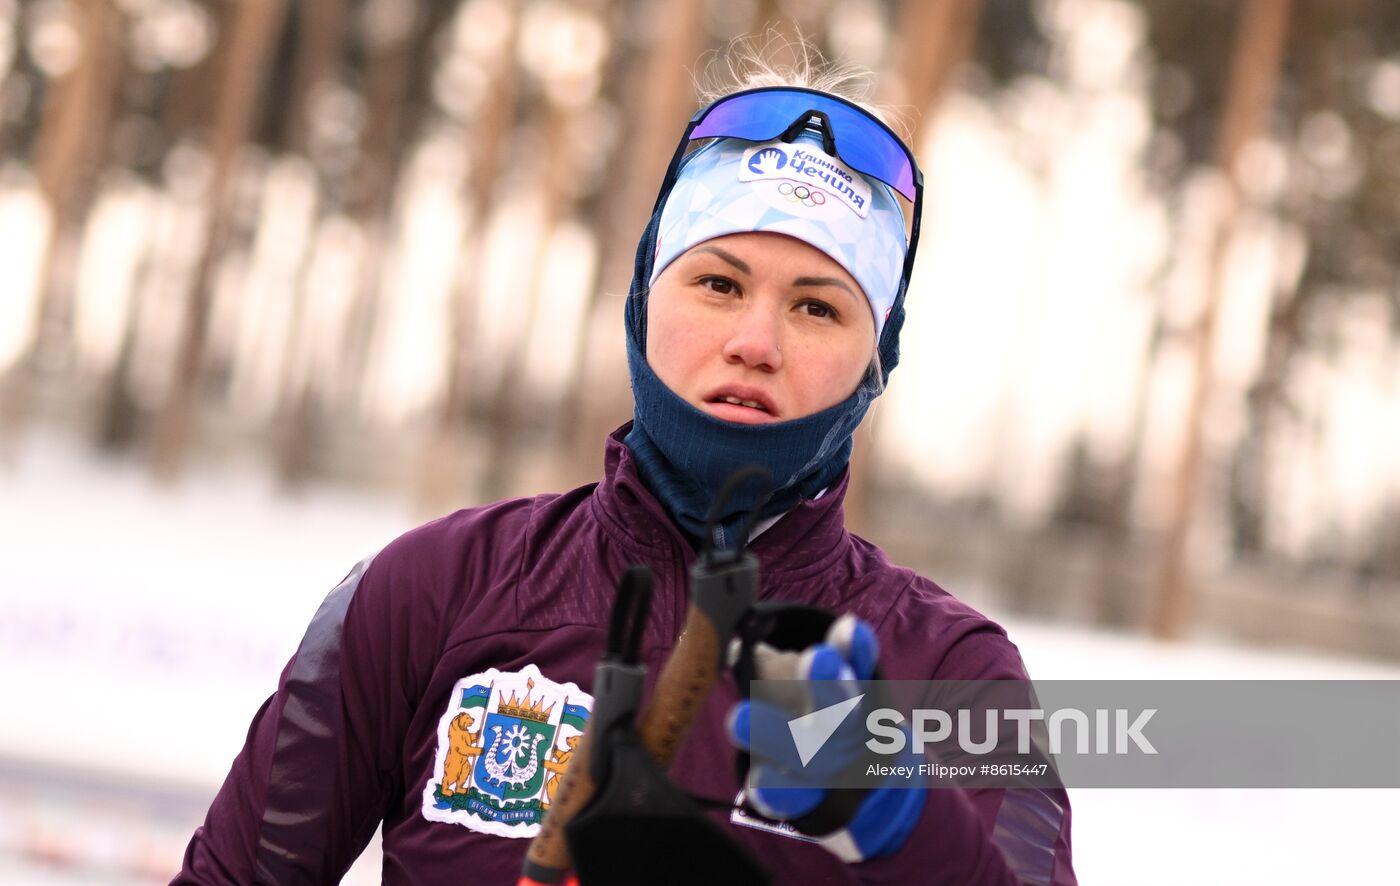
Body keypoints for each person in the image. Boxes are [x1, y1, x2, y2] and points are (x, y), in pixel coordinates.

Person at [174, 50, 1076, 886]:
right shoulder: (430, 591)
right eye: (718, 284)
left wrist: (914, 830)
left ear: (879, 356)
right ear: (643, 297)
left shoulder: (953, 674)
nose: (754, 342)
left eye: (817, 307)